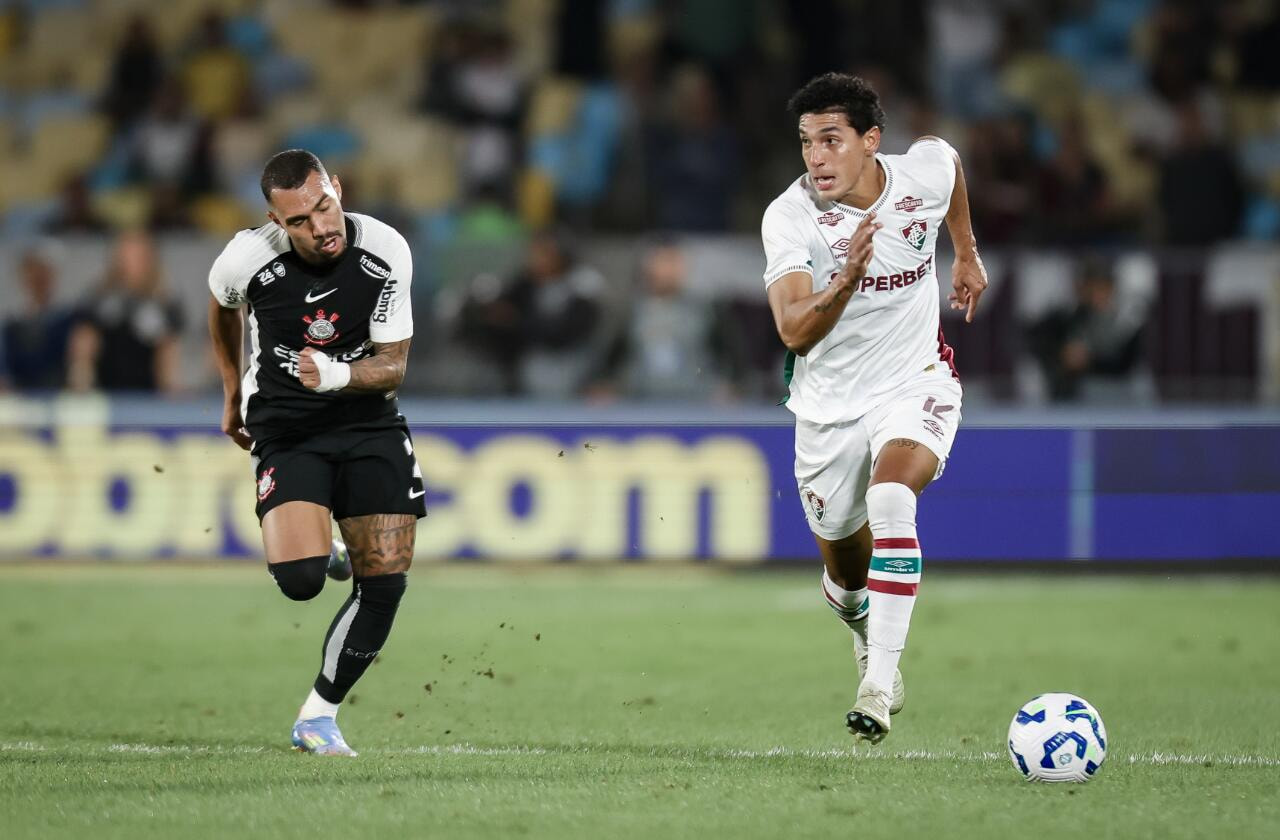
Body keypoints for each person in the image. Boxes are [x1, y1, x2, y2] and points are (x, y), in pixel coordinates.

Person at [761, 73, 988, 744]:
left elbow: (949, 162)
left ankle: (878, 688)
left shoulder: (919, 176)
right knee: (845, 577)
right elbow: (793, 330)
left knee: (892, 497)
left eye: (831, 140)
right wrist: (847, 279)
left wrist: (967, 253)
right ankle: (863, 628)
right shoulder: (790, 217)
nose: (816, 157)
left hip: (914, 382)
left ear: (871, 141)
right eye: (806, 142)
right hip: (827, 410)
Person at [207, 150, 424, 756]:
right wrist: (231, 392)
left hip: (367, 420)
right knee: (301, 581)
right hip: (288, 425)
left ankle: (318, 715)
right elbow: (222, 306)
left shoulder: (385, 251)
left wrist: (335, 375)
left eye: (324, 207)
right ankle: (322, 548)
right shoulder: (246, 259)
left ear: (338, 189)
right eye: (299, 221)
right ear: (276, 221)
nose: (320, 227)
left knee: (385, 581)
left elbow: (393, 365)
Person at [67, 230, 183, 394]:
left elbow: (169, 349)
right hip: (104, 390)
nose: (132, 264)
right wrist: (81, 380)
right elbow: (84, 340)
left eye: (138, 257)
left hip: (148, 393)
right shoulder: (99, 297)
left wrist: (169, 388)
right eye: (126, 256)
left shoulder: (165, 302)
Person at [1027, 257, 1147, 402]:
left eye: (1101, 288)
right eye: (1090, 289)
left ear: (1112, 288)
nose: (1095, 295)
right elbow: (1042, 344)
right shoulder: (1072, 317)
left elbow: (1126, 364)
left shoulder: (1128, 320)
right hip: (1077, 397)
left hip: (1119, 395)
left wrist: (1090, 360)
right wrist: (1062, 354)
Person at [1, 246, 75, 392]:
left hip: (60, 395)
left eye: (43, 273)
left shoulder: (67, 320)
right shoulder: (12, 326)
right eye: (32, 273)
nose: (37, 280)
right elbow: (7, 370)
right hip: (22, 397)